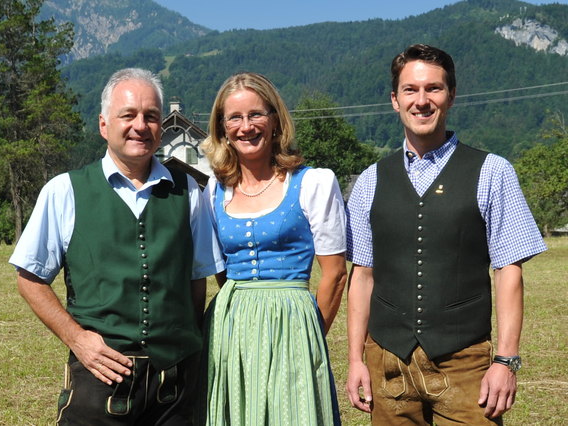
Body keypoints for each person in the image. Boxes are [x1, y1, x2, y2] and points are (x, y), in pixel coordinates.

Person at [344, 44, 547, 425]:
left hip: (465, 361)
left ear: (451, 95)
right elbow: (362, 277)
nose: (421, 101)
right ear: (394, 100)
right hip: (387, 361)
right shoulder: (370, 180)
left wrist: (505, 360)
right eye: (410, 90)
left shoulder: (492, 171)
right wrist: (356, 359)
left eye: (433, 89)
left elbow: (509, 271)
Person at [9, 68, 224, 425]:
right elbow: (29, 278)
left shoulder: (189, 191)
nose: (140, 125)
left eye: (151, 116)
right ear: (104, 124)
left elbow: (196, 279)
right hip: (99, 381)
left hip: (174, 389)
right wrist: (78, 339)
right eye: (128, 115)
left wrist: (182, 345)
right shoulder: (64, 191)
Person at [196, 72, 347, 426]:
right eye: (234, 117)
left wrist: (306, 336)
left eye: (256, 115)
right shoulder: (214, 191)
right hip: (230, 328)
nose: (246, 127)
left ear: (276, 120)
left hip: (293, 323)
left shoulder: (313, 182)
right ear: (222, 128)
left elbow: (336, 275)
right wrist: (245, 316)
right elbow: (219, 268)